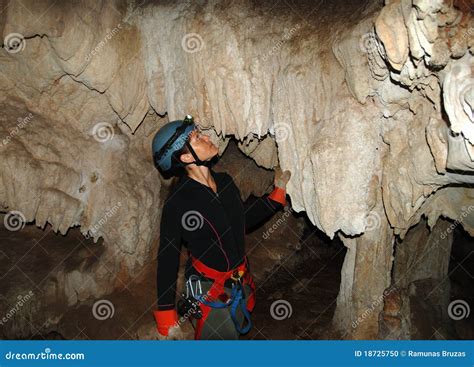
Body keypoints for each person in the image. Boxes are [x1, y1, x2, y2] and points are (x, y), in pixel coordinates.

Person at [151, 115, 291, 340]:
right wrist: (167, 317)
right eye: (197, 137)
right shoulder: (178, 202)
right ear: (186, 157)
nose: (206, 137)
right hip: (210, 290)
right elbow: (168, 257)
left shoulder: (224, 182)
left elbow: (241, 219)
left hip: (239, 280)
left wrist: (275, 197)